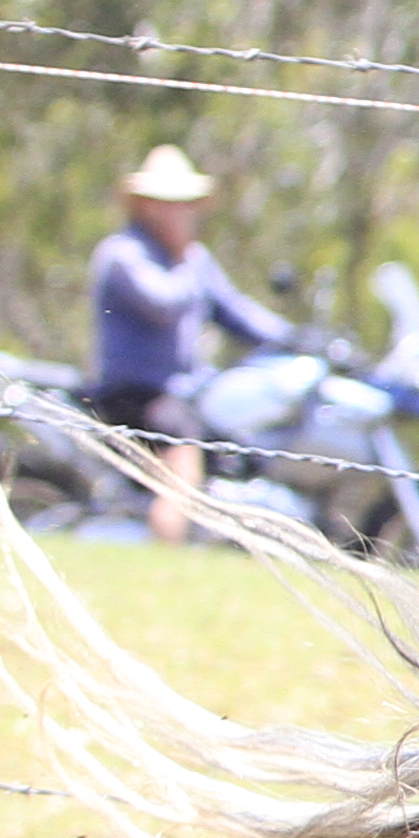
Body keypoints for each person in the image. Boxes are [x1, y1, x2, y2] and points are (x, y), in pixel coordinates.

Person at [86, 144, 295, 543]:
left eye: (185, 204)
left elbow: (237, 314)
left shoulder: (192, 261)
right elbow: (161, 303)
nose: (180, 214)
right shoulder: (124, 254)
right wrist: (187, 263)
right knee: (183, 457)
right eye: (168, 203)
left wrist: (294, 338)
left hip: (185, 392)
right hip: (138, 393)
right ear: (145, 206)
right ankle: (168, 543)